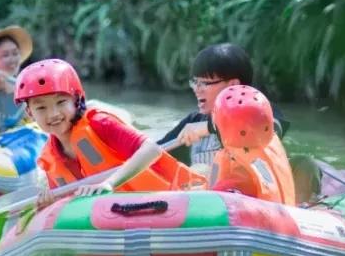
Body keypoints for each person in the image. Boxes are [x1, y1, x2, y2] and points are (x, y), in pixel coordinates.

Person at [14, 59, 205, 202]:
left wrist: (110, 183)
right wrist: (50, 203)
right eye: (41, 108)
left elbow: (152, 149)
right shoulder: (49, 158)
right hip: (112, 220)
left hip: (167, 198)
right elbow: (70, 206)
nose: (53, 113)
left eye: (61, 102)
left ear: (76, 99)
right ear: (30, 113)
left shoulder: (99, 123)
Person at [157, 43, 288, 168]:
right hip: (202, 188)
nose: (196, 89)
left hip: (248, 187)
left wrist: (209, 127)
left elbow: (266, 132)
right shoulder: (194, 121)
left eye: (204, 83)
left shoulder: (263, 112)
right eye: (195, 82)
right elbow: (157, 151)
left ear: (232, 85)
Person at [208, 85, 296, 205]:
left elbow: (219, 203)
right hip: (283, 211)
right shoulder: (271, 145)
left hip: (250, 217)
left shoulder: (236, 173)